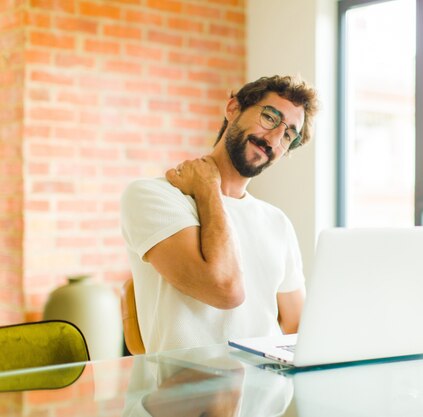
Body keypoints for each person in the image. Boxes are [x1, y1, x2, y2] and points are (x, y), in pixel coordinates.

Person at [120, 75, 319, 353]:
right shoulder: (152, 196)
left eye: (288, 135)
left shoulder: (277, 222)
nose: (273, 139)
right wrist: (208, 187)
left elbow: (297, 324)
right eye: (270, 118)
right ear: (233, 109)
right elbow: (225, 289)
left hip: (268, 389)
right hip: (187, 391)